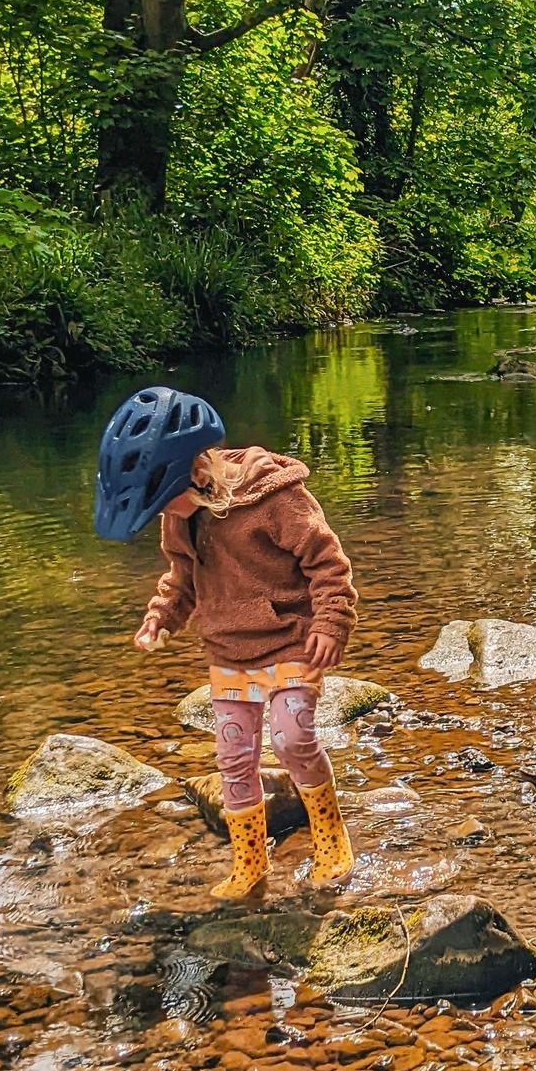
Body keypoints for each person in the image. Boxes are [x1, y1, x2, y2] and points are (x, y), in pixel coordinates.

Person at [92, 386, 359, 906]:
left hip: (289, 641)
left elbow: (328, 564)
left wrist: (330, 623)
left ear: (193, 470)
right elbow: (182, 577)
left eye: (157, 499)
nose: (157, 514)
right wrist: (160, 618)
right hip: (227, 653)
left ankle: (330, 838)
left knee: (291, 738)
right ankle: (250, 860)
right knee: (233, 760)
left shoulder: (276, 498)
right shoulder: (181, 513)